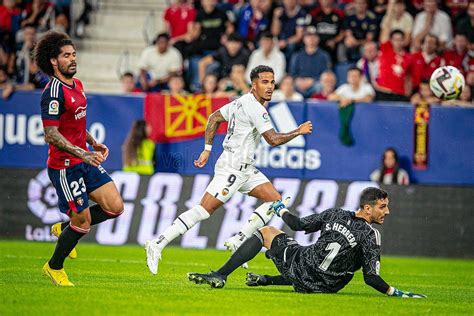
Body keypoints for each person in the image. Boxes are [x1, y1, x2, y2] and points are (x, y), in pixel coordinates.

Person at [145, 65, 313, 275]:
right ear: (254, 85)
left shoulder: (241, 101)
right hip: (232, 168)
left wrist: (207, 150)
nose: (270, 87)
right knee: (204, 210)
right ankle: (157, 243)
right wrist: (298, 131)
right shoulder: (256, 108)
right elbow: (272, 140)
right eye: (264, 82)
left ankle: (239, 239)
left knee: (275, 201)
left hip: (246, 168)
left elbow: (214, 118)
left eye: (272, 82)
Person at [187, 188, 426, 299]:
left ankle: (220, 275)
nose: (387, 211)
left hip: (300, 269)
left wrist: (280, 209)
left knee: (266, 232)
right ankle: (267, 280)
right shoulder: (370, 235)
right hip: (326, 287)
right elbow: (370, 277)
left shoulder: (335, 214)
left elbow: (298, 224)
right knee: (328, 266)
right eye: (382, 207)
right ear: (367, 208)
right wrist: (396, 293)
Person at [35, 31, 124, 286]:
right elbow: (51, 134)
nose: (73, 59)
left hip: (83, 159)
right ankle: (54, 267)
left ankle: (64, 230)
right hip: (65, 167)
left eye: (74, 54)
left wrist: (91, 141)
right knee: (83, 221)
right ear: (54, 61)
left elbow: (73, 123)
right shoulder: (52, 92)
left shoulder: (78, 85)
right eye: (66, 56)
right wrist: (83, 153)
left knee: (114, 207)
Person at [289, 26, 331, 97]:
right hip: (299, 83)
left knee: (320, 87)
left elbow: (326, 74)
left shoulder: (324, 56)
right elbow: (292, 73)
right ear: (304, 39)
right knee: (289, 86)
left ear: (318, 39)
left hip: (315, 83)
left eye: (314, 36)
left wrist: (312, 81)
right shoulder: (297, 56)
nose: (311, 39)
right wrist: (298, 80)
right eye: (308, 36)